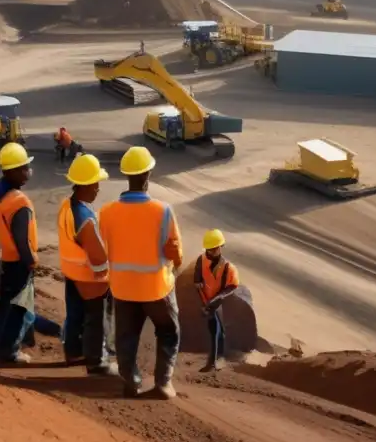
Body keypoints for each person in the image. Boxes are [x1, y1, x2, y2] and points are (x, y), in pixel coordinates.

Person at [99, 146, 183, 399]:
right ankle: (163, 383)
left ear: (127, 176)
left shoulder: (106, 212)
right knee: (169, 331)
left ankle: (131, 380)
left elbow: (105, 247)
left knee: (126, 336)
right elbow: (175, 251)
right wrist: (174, 266)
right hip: (156, 288)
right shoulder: (163, 211)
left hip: (123, 288)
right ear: (147, 175)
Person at [58, 154, 117, 376]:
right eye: (96, 184)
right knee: (97, 317)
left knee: (75, 314)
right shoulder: (85, 217)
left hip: (72, 272)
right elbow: (99, 257)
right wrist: (107, 276)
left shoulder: (67, 206)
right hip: (88, 277)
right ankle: (97, 360)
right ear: (87, 184)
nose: (98, 189)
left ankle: (73, 352)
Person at [0, 142, 46, 364]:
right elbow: (22, 240)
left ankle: (3, 344)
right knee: (18, 307)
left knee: (6, 305)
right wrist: (31, 261)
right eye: (24, 168)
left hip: (8, 258)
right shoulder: (19, 203)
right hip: (19, 263)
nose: (28, 172)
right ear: (12, 172)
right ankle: (9, 351)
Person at [194, 229, 240, 373]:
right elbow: (197, 281)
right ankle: (219, 358)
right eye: (212, 249)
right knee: (217, 328)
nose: (215, 251)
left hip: (218, 301)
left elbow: (232, 286)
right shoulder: (201, 261)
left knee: (215, 328)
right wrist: (204, 303)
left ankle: (212, 362)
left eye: (217, 248)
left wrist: (217, 299)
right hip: (206, 300)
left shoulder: (228, 267)